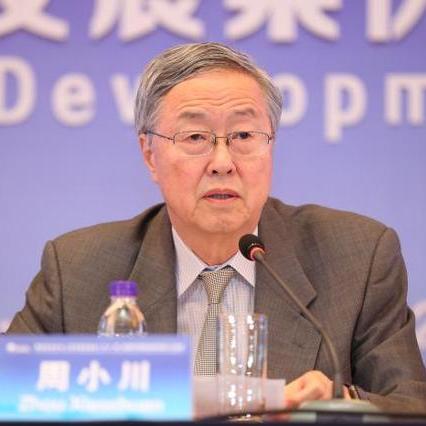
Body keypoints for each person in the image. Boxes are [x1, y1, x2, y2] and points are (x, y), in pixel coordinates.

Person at [7, 42, 426, 413]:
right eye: (195, 137)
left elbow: (410, 406)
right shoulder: (77, 270)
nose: (222, 162)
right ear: (149, 154)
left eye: (243, 134)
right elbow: (10, 393)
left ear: (271, 144)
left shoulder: (357, 258)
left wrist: (340, 401)